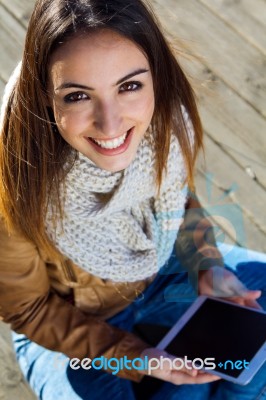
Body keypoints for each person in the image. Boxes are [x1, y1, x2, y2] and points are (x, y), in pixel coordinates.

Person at [0, 0, 265, 399]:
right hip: (73, 327)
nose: (111, 124)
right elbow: (30, 309)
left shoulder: (166, 126)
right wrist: (135, 357)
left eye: (129, 86)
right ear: (45, 96)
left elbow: (178, 205)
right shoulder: (15, 178)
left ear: (155, 77)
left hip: (162, 269)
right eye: (77, 96)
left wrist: (206, 266)